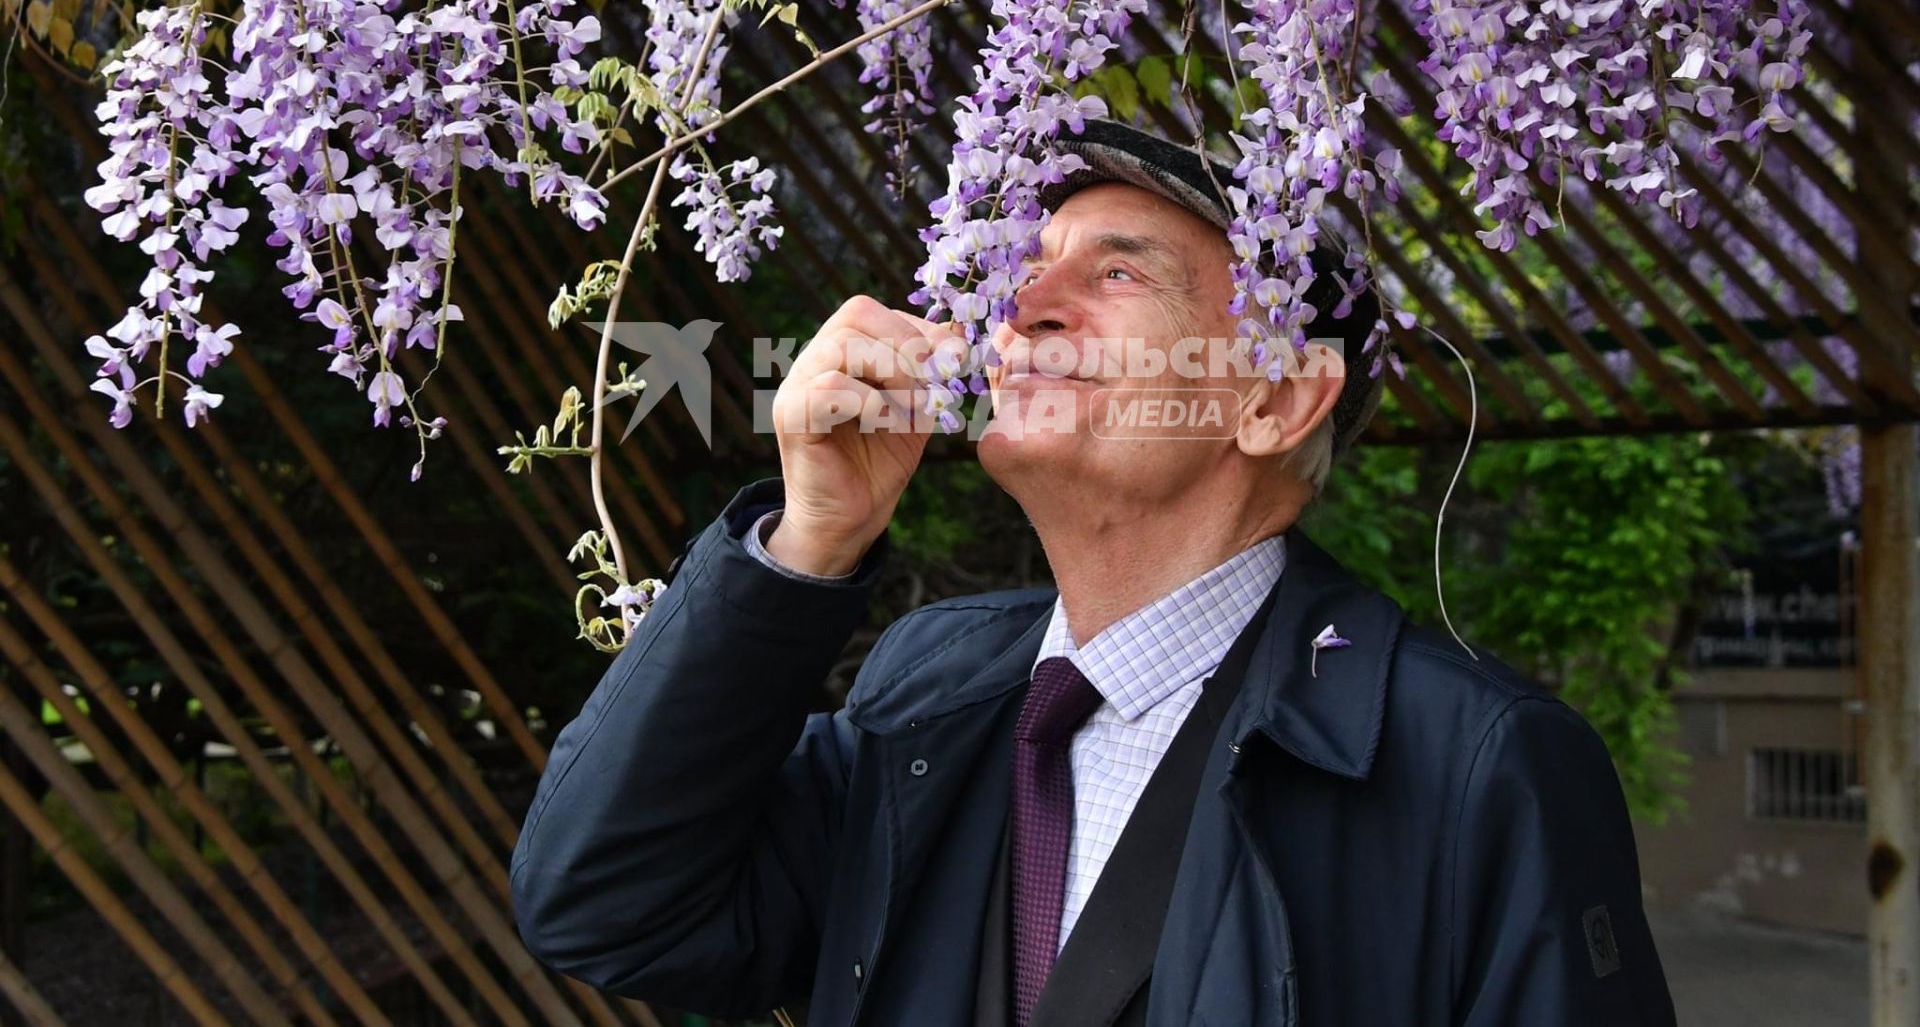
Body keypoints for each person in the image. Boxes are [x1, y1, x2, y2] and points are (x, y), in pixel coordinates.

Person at [510, 118, 1678, 1026]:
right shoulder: (930, 696)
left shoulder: (1476, 764)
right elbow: (606, 904)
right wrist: (807, 540)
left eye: (1118, 275)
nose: (1019, 303)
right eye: (1024, 263)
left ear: (1271, 398)